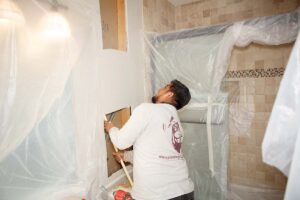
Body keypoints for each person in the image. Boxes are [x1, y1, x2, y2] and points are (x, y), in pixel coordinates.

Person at [104, 79, 194, 200]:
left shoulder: (147, 109)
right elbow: (160, 153)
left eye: (164, 87)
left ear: (169, 94)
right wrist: (125, 156)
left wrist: (111, 128)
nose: (159, 90)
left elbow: (121, 142)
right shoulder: (175, 122)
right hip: (184, 191)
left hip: (158, 194)